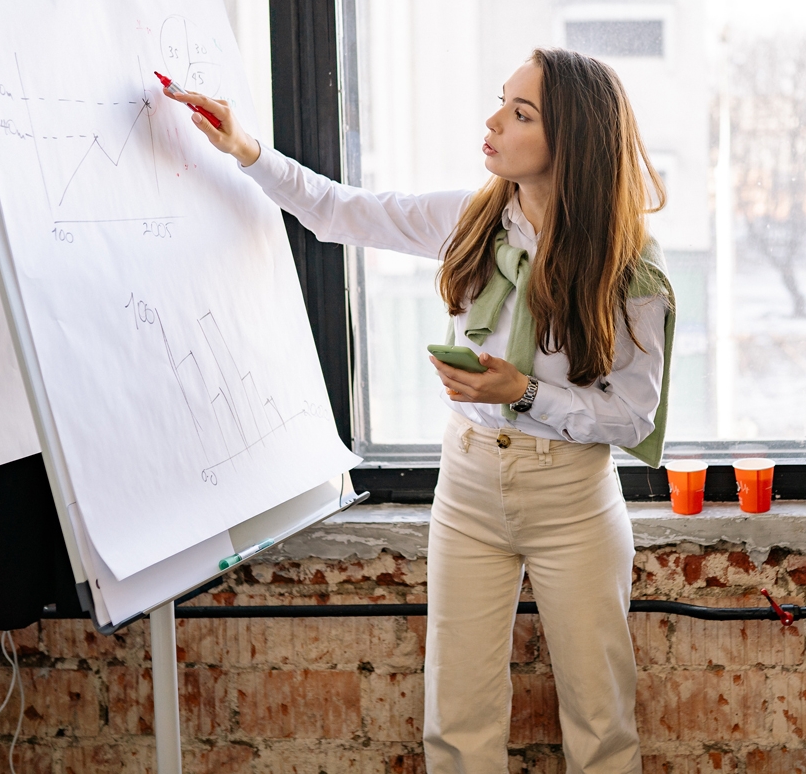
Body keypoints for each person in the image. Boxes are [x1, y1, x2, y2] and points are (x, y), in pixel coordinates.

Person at [167, 47, 673, 774]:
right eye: (503, 100)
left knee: (600, 721)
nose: (493, 121)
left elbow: (632, 416)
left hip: (572, 496)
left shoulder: (628, 261)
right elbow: (339, 211)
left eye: (520, 113)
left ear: (571, 142)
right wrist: (247, 149)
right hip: (467, 485)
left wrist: (524, 393)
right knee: (455, 722)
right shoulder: (470, 220)